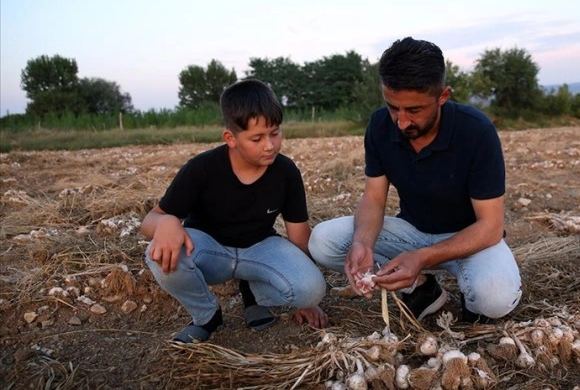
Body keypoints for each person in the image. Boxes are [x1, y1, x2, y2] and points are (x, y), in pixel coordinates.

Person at [309, 37, 522, 323]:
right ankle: (421, 289)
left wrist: (422, 256)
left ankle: (470, 292)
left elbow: (491, 226)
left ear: (443, 96)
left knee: (495, 299)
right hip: (412, 232)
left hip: (469, 238)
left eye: (414, 110)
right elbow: (373, 197)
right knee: (324, 241)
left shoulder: (476, 131)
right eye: (393, 107)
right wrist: (363, 242)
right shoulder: (379, 125)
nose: (401, 121)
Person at [141, 79, 328, 343]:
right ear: (230, 138)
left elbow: (298, 234)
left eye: (275, 133)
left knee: (312, 289)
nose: (270, 145)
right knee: (157, 253)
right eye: (257, 138)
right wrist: (165, 223)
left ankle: (253, 292)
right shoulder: (201, 168)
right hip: (209, 252)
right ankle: (206, 315)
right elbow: (150, 220)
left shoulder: (286, 172)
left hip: (260, 248)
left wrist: (305, 298)